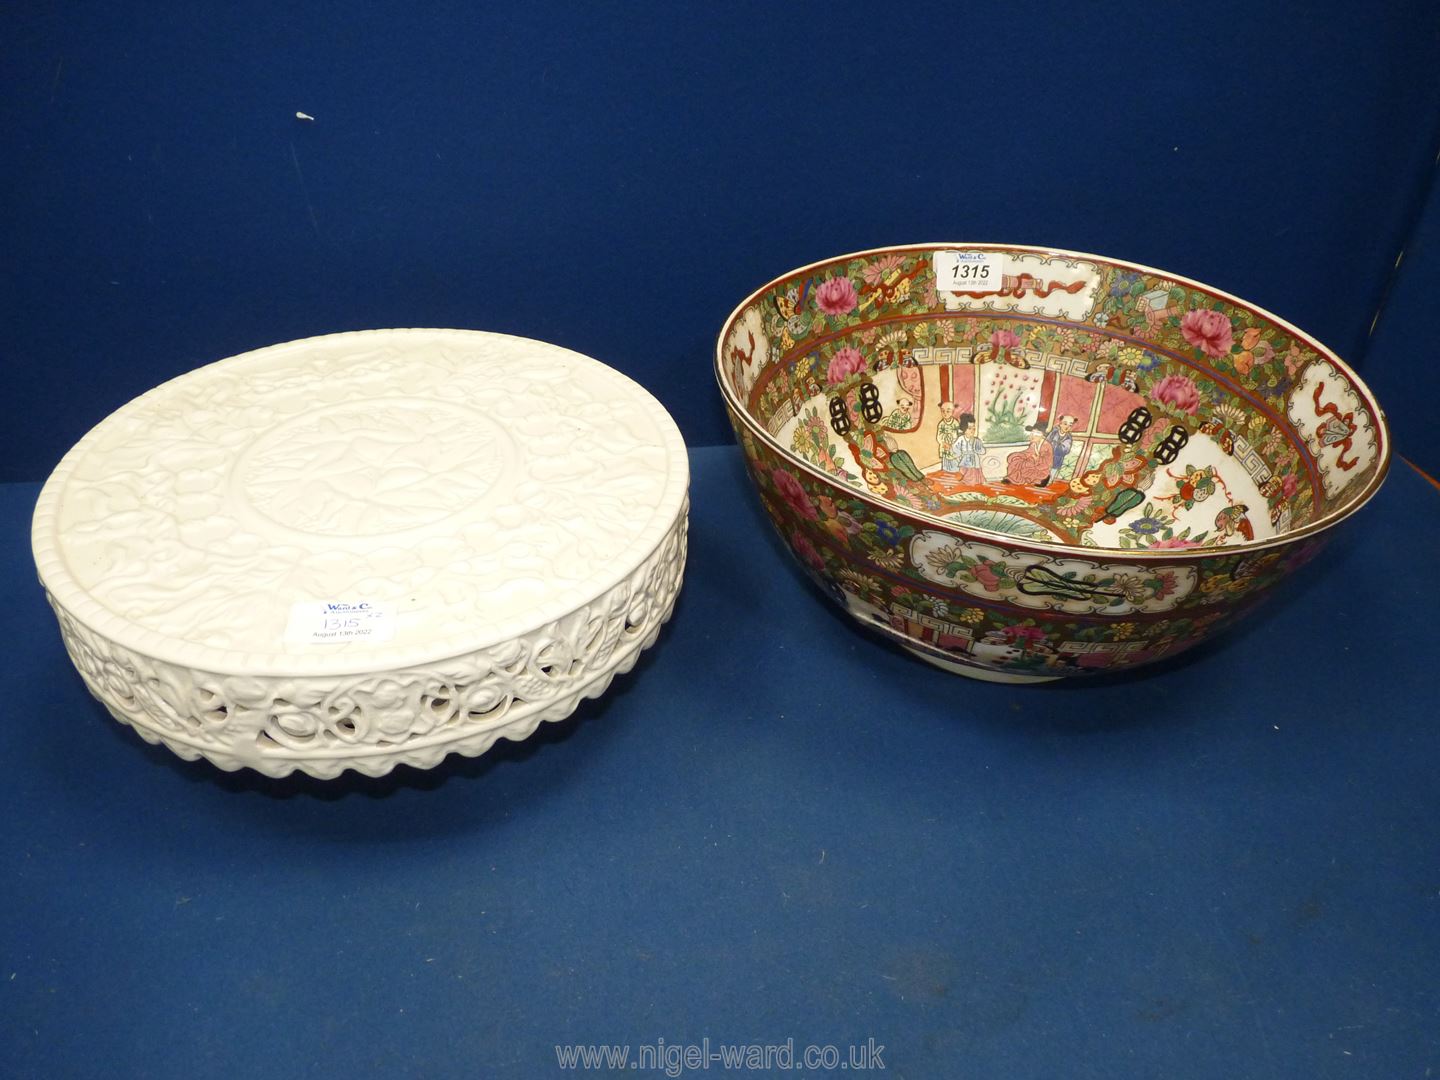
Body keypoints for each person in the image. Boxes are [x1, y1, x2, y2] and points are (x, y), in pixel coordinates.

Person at [954, 413, 985, 484]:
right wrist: (958, 454)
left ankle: (974, 482)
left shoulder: (977, 440)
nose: (972, 430)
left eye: (974, 428)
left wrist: (978, 450)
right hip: (965, 458)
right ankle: (965, 480)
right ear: (964, 429)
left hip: (974, 459)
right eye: (969, 428)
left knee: (974, 471)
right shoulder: (961, 439)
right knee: (964, 470)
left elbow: (982, 450)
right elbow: (955, 447)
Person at [1045, 414, 1077, 479]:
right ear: (1060, 424)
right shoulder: (1054, 432)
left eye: (1070, 425)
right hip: (1048, 455)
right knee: (1044, 469)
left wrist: (1057, 446)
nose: (1067, 427)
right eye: (1065, 424)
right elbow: (1047, 442)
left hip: (1057, 458)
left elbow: (1066, 450)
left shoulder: (1068, 437)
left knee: (1052, 472)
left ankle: (1049, 481)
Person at [935, 402, 962, 472]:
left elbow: (958, 434)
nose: (945, 413)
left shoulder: (955, 423)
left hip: (953, 443)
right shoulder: (941, 424)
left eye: (948, 411)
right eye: (943, 411)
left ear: (952, 412)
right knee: (946, 458)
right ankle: (946, 469)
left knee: (953, 457)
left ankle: (955, 469)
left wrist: (954, 442)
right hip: (944, 444)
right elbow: (939, 435)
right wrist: (943, 442)